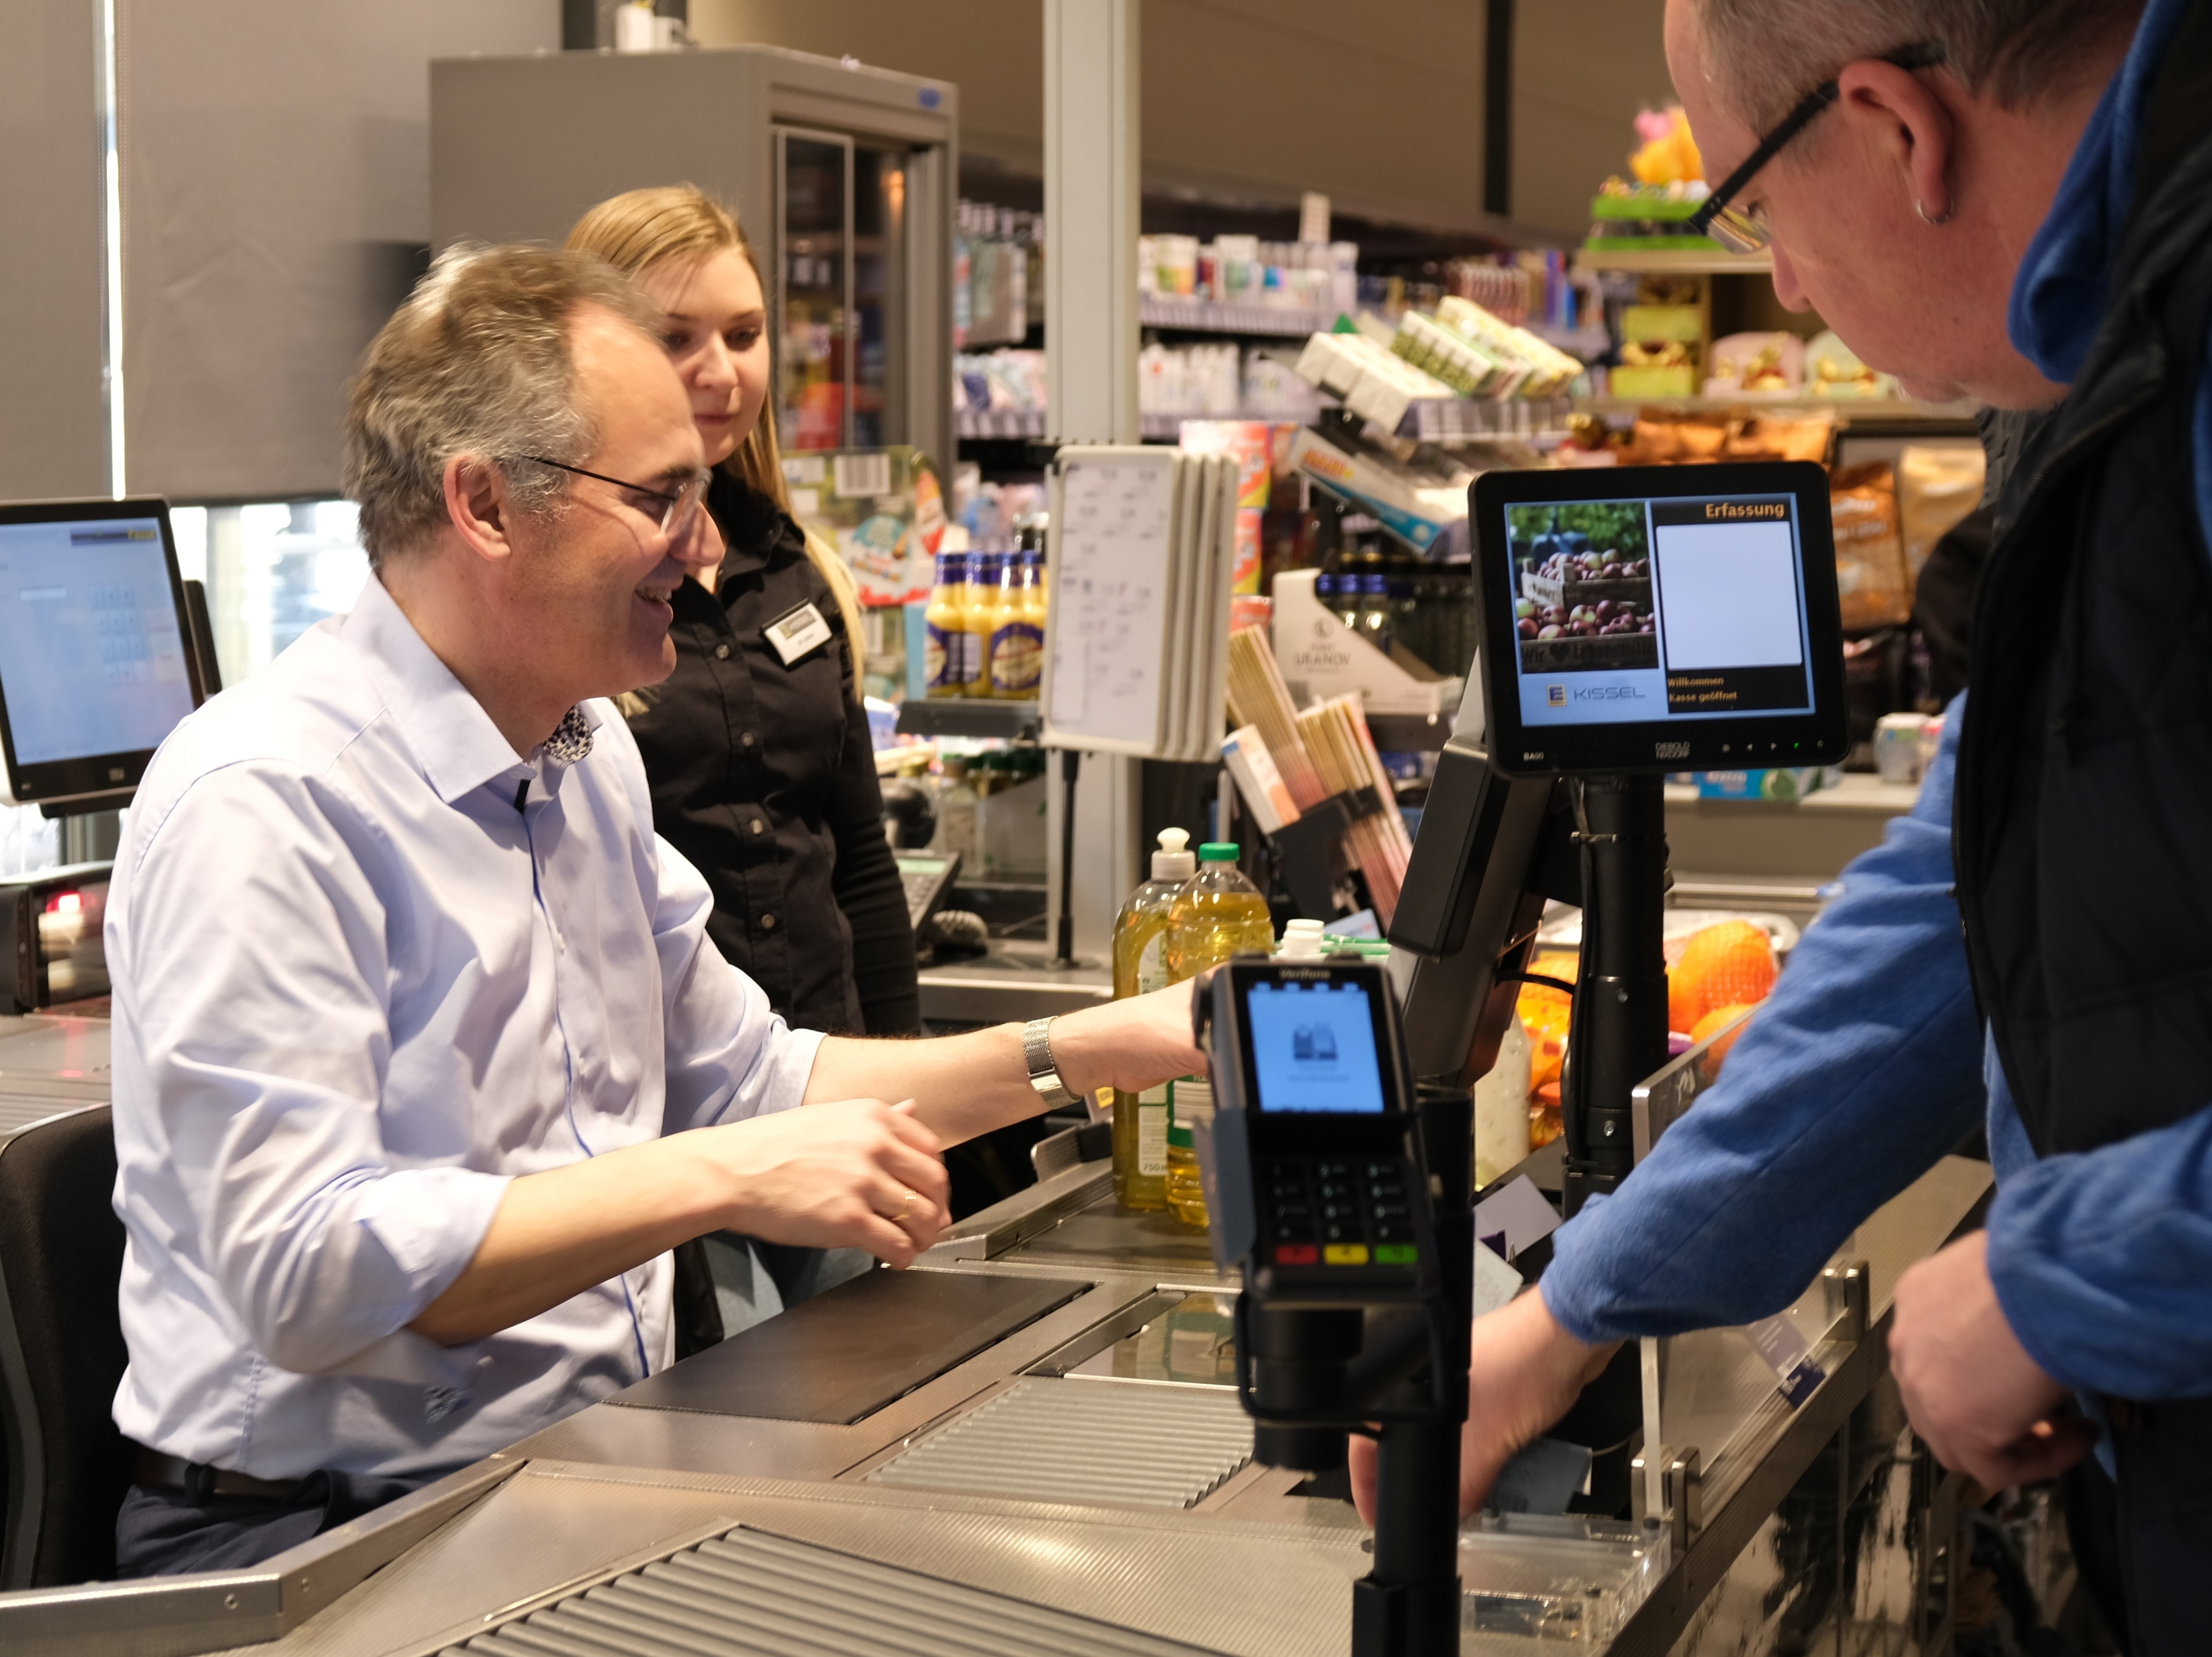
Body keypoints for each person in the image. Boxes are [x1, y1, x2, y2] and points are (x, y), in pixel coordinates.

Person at [105, 243, 1203, 1577]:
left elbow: (754, 1076)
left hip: (579, 1468)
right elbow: (307, 1273)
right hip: (316, 1543)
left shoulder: (582, 756)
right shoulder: (267, 800)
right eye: (664, 497)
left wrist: (1117, 1043)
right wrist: (719, 1177)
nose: (706, 547)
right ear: (486, 503)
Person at [1352, 3, 2212, 1650]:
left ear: (1897, 126)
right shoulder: (2095, 357)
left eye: (1752, 210)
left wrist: (2064, 1271)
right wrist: (1570, 1311)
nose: (1790, 287)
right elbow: (1955, 893)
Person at [563, 186, 914, 1338]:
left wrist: (897, 1079)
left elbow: (856, 856)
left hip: (817, 1072)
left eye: (745, 335)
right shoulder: (576, 602)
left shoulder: (794, 563)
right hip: (662, 1123)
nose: (721, 370)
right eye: (677, 338)